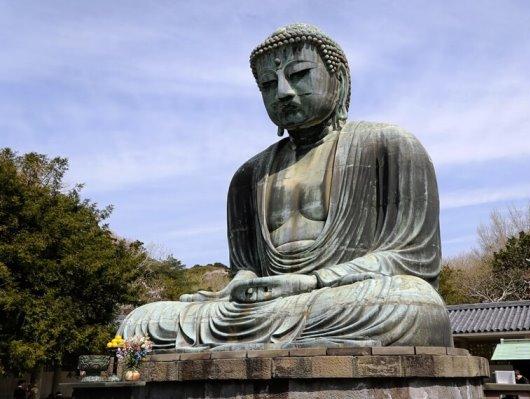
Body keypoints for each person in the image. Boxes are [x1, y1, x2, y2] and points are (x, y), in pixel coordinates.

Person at [119, 23, 452, 351]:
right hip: (269, 307)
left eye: (299, 74)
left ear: (340, 79)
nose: (283, 92)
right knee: (141, 322)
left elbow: (415, 258)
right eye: (267, 83)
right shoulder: (248, 175)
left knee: (414, 304)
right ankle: (281, 341)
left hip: (343, 297)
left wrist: (312, 281)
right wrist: (239, 285)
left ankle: (267, 340)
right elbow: (248, 268)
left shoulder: (388, 145)